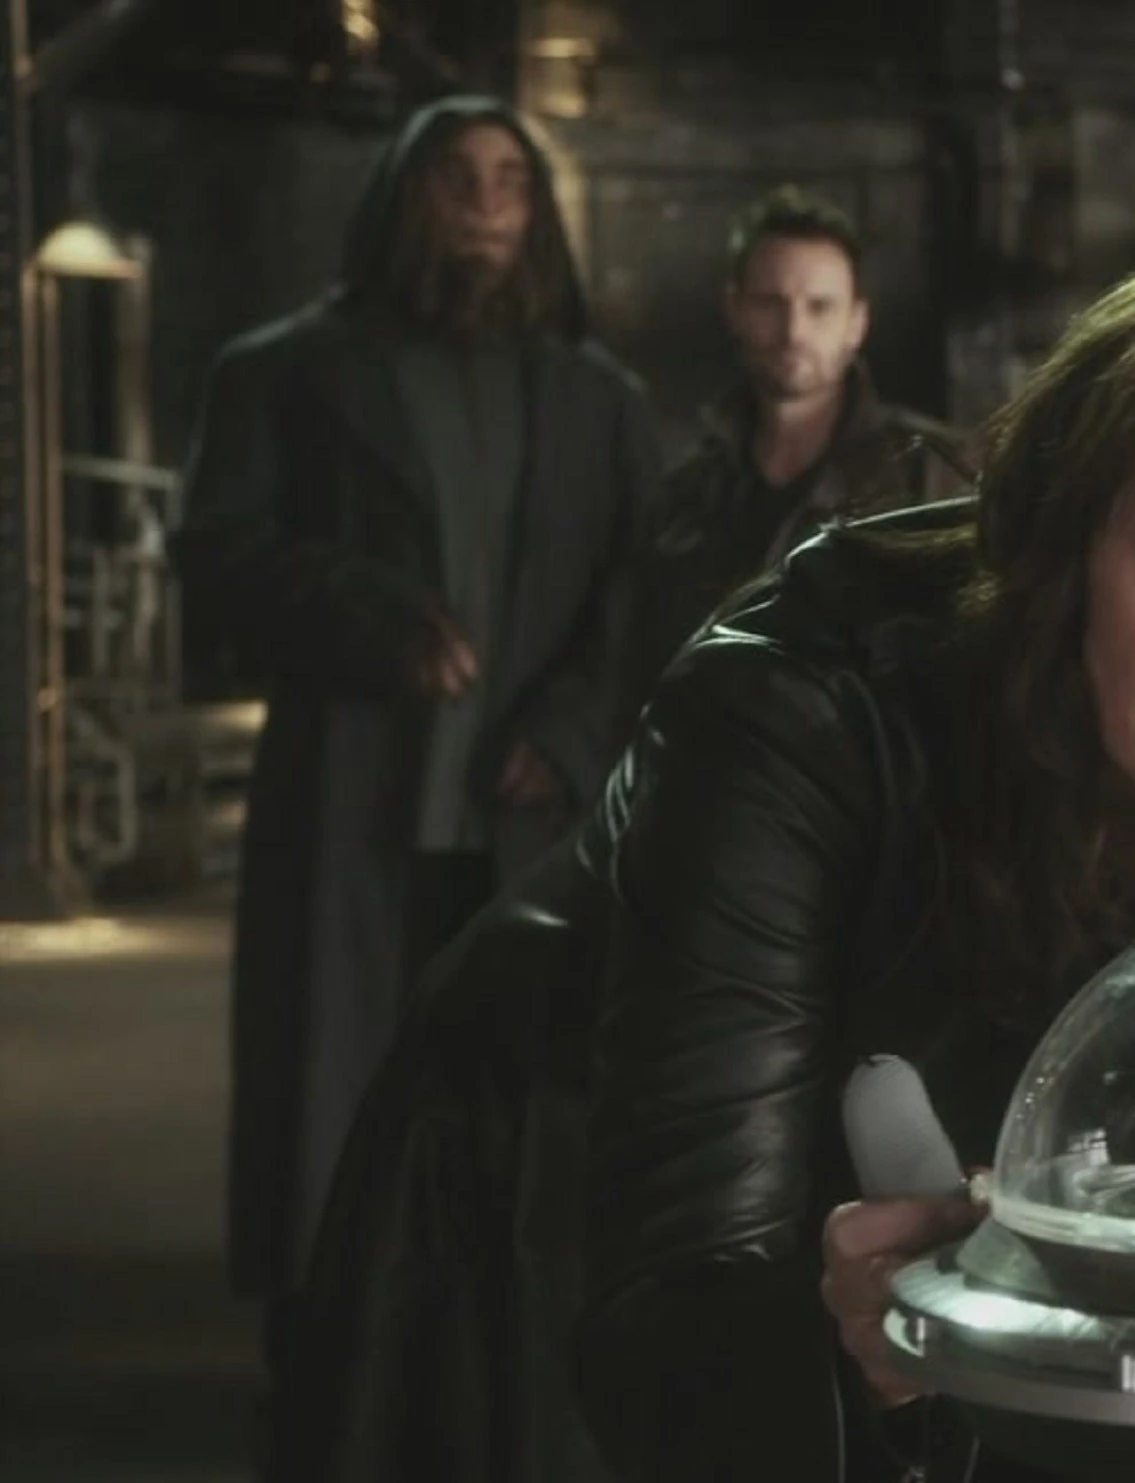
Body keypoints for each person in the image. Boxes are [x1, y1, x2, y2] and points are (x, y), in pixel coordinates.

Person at [287, 232, 1135, 1483]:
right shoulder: (795, 712)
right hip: (547, 1222)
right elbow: (680, 1299)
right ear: (1071, 538)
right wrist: (856, 1333)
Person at [170, 91, 660, 1412]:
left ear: (538, 213)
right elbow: (216, 553)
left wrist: (566, 730)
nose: (487, 203)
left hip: (528, 828)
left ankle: (489, 1386)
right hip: (351, 813)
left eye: (511, 179)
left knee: (513, 1116)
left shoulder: (600, 401)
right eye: (458, 176)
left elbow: (644, 592)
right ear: (405, 197)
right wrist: (363, 613)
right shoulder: (285, 371)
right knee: (330, 1103)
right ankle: (328, 1381)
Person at [626, 184, 962, 703]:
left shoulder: (930, 472)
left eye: (820, 306)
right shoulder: (688, 493)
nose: (793, 330)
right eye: (771, 303)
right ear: (734, 308)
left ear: (857, 322)